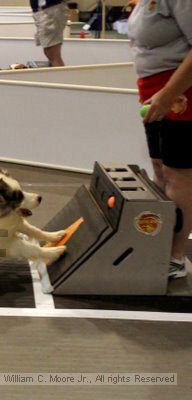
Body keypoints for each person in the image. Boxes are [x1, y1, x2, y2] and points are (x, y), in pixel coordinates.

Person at [128, 0, 192, 279]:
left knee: (179, 176)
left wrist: (168, 94)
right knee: (159, 170)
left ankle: (175, 256)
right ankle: (158, 244)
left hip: (180, 92)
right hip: (154, 88)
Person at [30, 0, 69, 67]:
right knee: (49, 53)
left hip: (50, 10)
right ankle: (59, 76)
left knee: (52, 54)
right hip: (45, 10)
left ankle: (61, 76)